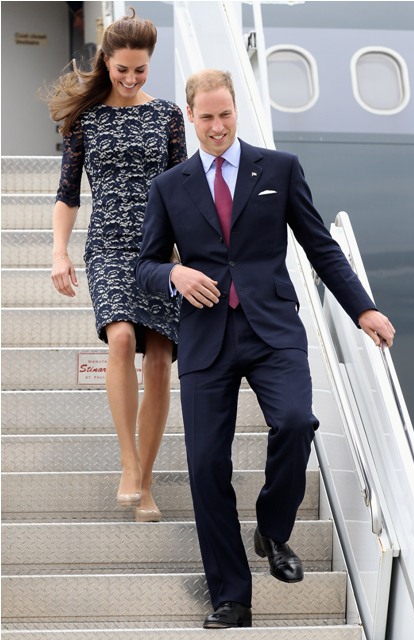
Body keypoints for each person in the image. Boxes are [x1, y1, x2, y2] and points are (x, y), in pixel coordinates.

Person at [135, 69, 395, 628]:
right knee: (207, 465)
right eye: (207, 117)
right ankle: (232, 597)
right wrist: (175, 274)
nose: (217, 126)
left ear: (236, 110)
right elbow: (144, 265)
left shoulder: (279, 169)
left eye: (225, 114)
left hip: (272, 329)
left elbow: (320, 246)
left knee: (297, 422)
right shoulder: (170, 185)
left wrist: (363, 309)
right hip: (206, 336)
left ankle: (273, 531)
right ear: (191, 116)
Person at [47, 9, 187, 522]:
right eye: (122, 69)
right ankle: (129, 462)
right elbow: (67, 194)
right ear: (105, 61)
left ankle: (145, 482)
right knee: (122, 339)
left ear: (150, 64)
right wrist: (59, 252)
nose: (130, 79)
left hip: (160, 252)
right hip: (107, 245)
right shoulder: (86, 119)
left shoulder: (168, 115)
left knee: (159, 359)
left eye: (140, 70)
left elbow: (183, 190)